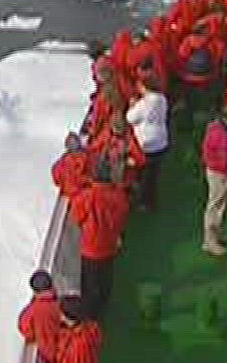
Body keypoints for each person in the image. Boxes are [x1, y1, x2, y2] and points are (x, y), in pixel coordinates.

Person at [69, 158, 130, 322]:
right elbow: (122, 216)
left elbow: (77, 217)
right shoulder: (118, 196)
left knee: (90, 282)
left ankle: (92, 314)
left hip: (90, 246)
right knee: (105, 277)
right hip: (110, 244)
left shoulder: (85, 197)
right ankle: (104, 304)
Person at [201, 107, 227, 257]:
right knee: (216, 205)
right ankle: (210, 241)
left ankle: (215, 235)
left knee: (218, 204)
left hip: (213, 170)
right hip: (220, 173)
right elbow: (226, 161)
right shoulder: (224, 136)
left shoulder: (214, 127)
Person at [126, 73, 169, 211]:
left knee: (144, 174)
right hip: (161, 140)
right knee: (153, 173)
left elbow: (130, 118)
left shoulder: (143, 104)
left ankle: (144, 201)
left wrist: (132, 106)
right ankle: (151, 200)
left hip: (146, 143)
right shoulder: (162, 98)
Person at [18, 269, 64, 363]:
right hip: (65, 347)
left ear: (35, 291)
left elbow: (27, 331)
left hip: (48, 352)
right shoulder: (62, 303)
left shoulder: (32, 310)